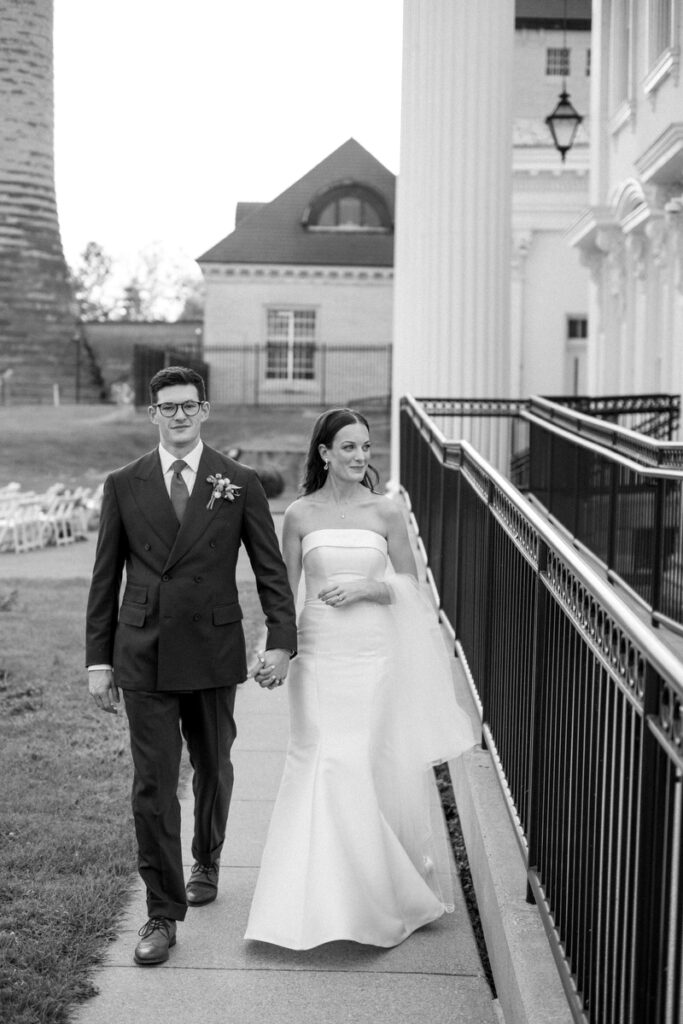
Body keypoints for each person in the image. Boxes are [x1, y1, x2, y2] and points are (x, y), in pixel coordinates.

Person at [85, 366, 297, 966]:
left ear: (204, 410)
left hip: (211, 648)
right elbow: (105, 577)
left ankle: (207, 856)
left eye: (188, 406)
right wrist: (98, 660)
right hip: (143, 650)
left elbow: (270, 569)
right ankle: (160, 911)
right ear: (152, 414)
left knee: (213, 767)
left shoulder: (239, 482)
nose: (178, 416)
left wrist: (281, 640)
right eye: (167, 407)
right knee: (152, 784)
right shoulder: (123, 483)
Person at [244, 407, 477, 950]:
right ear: (324, 453)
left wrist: (368, 588)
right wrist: (276, 650)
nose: (359, 456)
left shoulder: (386, 511)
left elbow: (411, 587)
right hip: (318, 653)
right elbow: (282, 593)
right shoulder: (299, 514)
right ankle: (304, 903)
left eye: (365, 447)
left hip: (372, 655)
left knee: (358, 765)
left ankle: (367, 898)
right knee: (319, 761)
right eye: (348, 447)